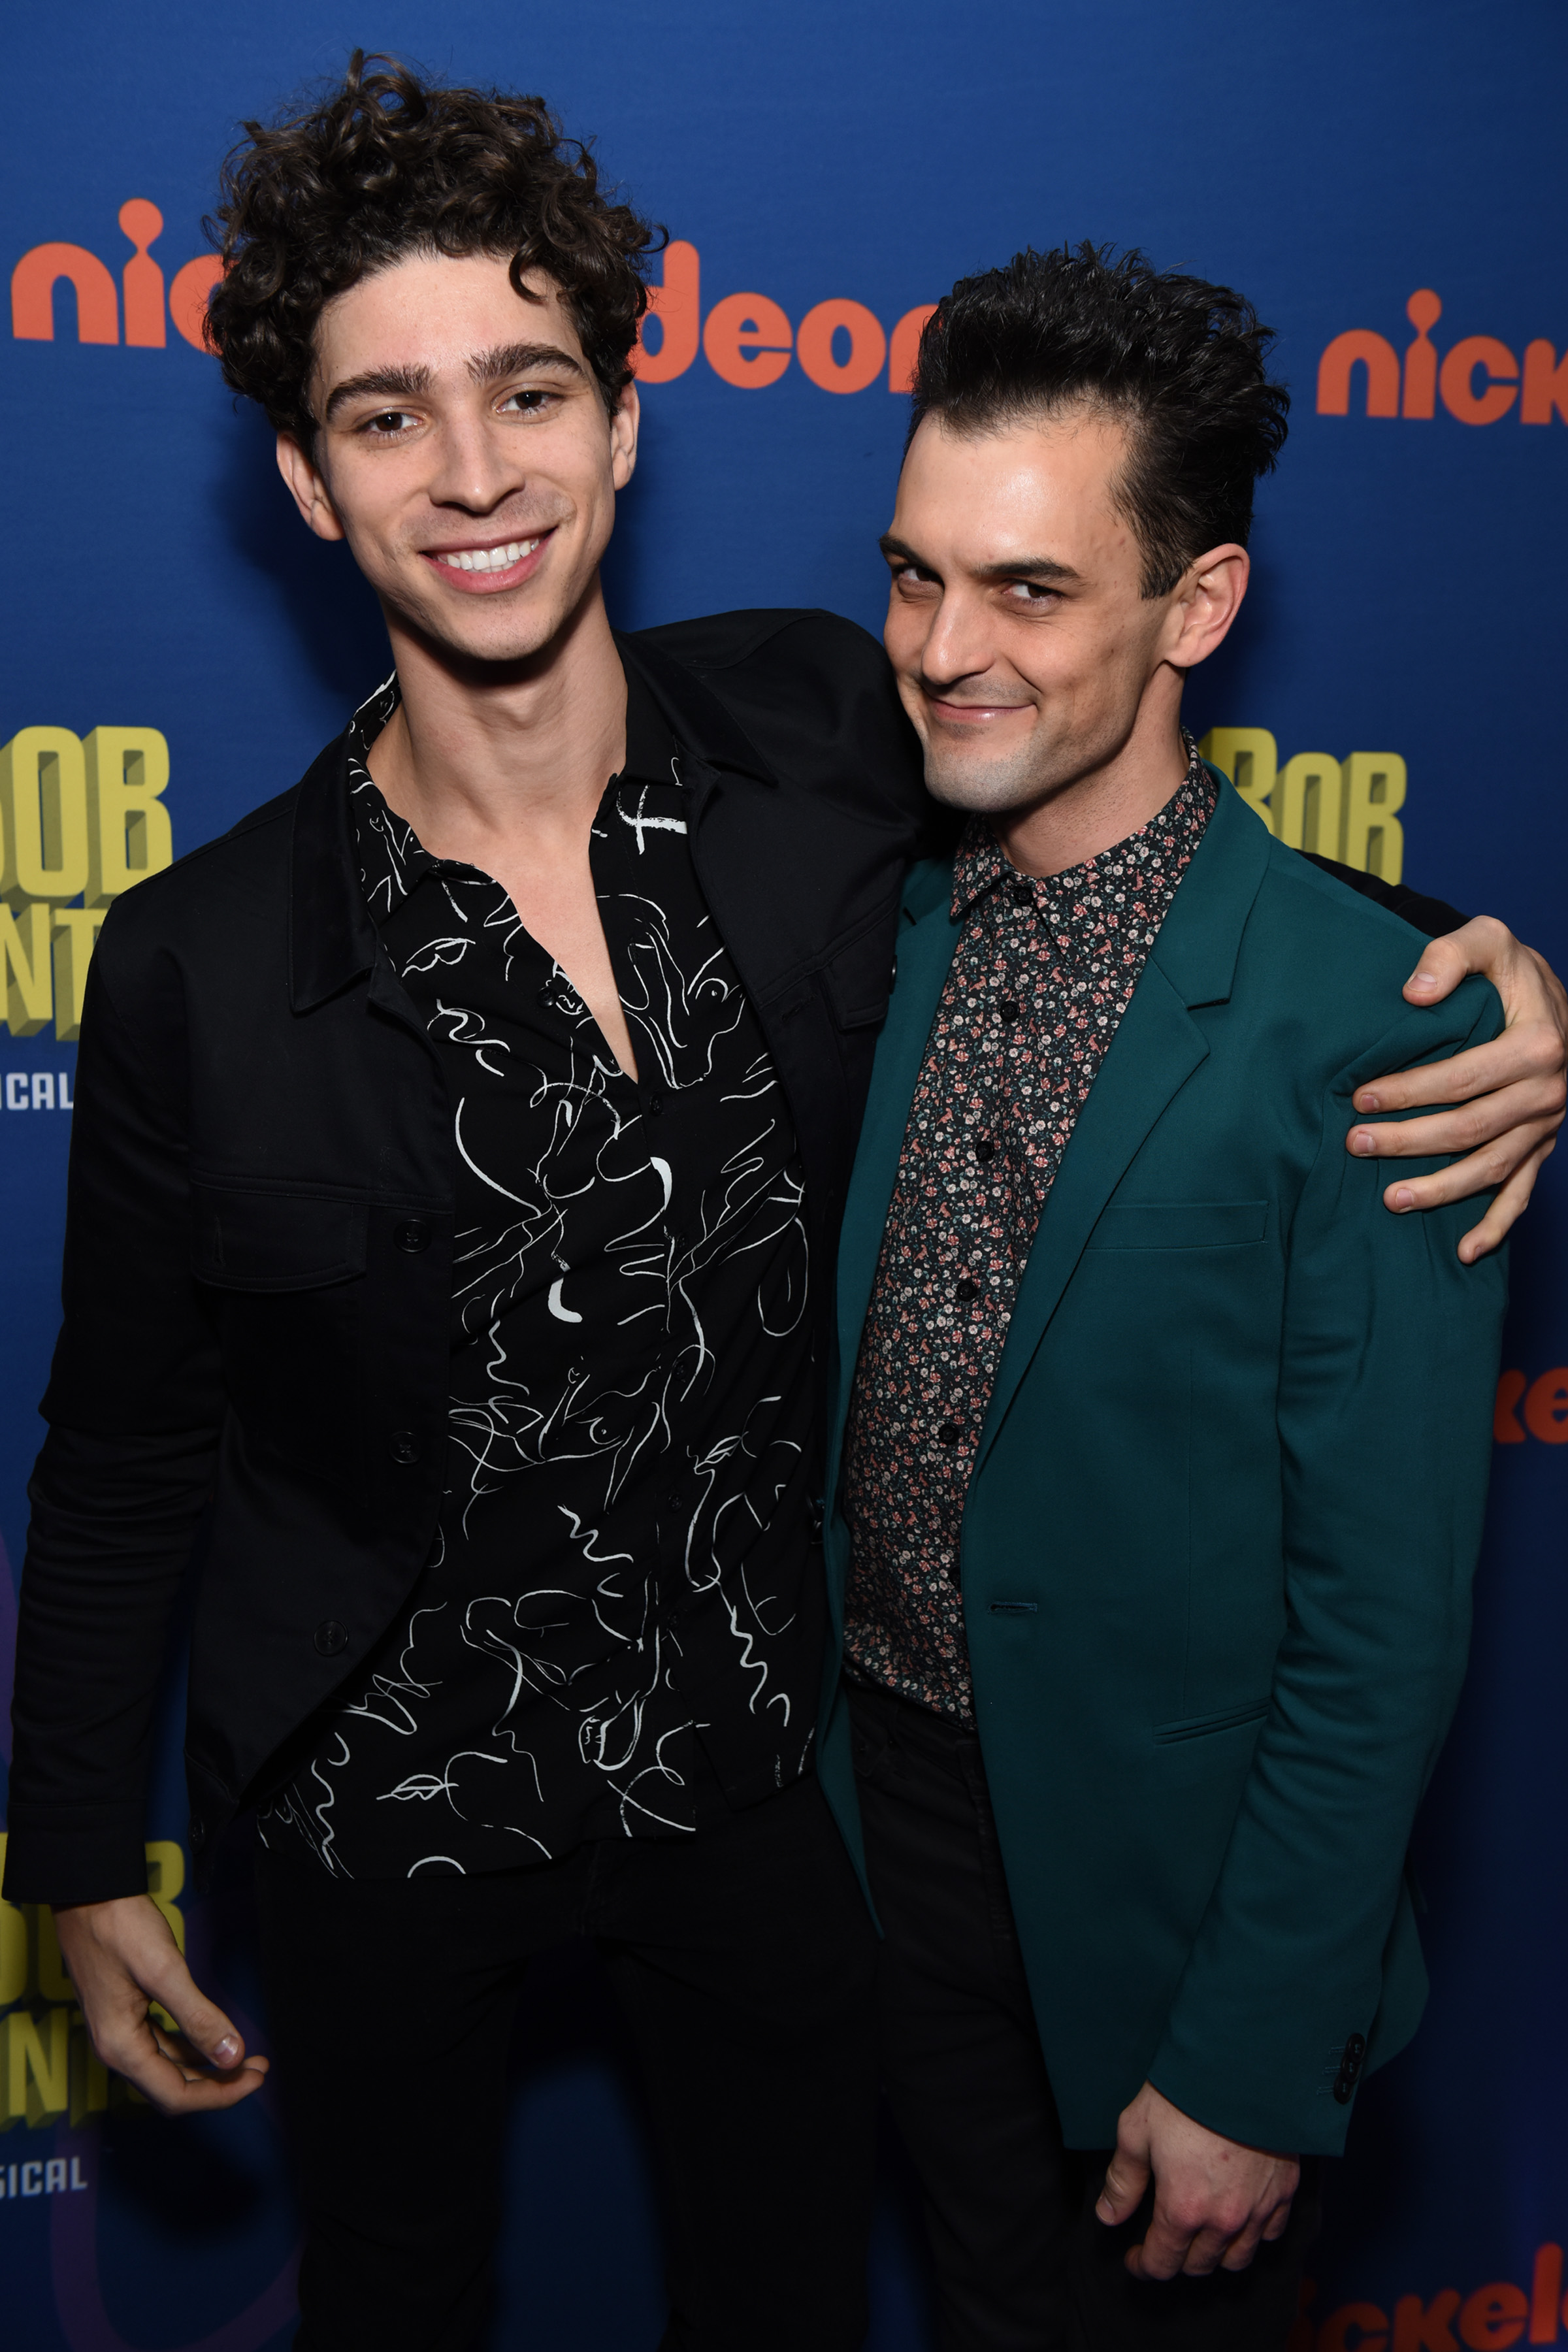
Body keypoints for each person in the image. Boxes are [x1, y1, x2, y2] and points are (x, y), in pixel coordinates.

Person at [0, 57, 1560, 2352]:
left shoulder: (827, 735)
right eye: (386, 417)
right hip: (379, 1808)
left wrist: (1485, 980)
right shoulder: (199, 962)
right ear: (307, 483)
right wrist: (62, 1848)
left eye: (526, 389)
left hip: (766, 1792)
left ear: (627, 423)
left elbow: (1139, 853)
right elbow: (128, 1446)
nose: (471, 472)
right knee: (395, 2304)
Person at [813, 243, 1524, 2352]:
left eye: (1030, 591)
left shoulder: (1378, 1031)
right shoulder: (864, 919)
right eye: (917, 577)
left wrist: (1251, 2054)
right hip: (880, 1842)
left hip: (1165, 1907)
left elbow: (1384, 1621)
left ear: (1193, 611)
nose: (947, 650)